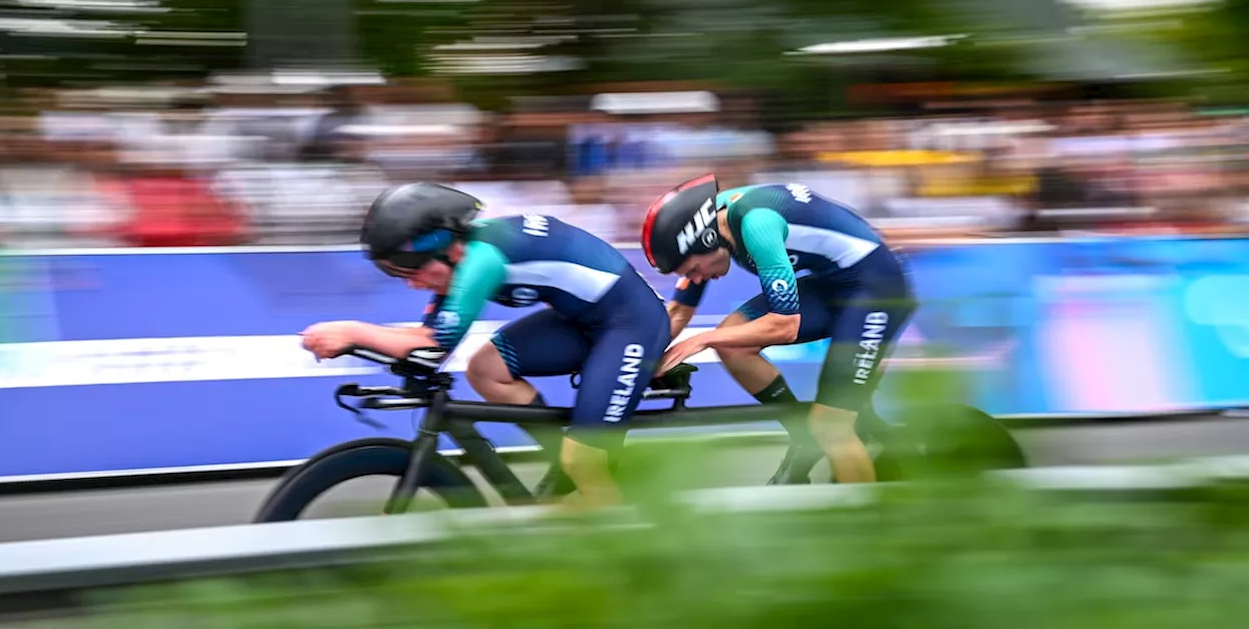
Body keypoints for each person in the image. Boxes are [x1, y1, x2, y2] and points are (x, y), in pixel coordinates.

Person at [300, 182, 670, 509]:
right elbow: (422, 343)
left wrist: (350, 330)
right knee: (486, 369)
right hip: (584, 320)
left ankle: (621, 538)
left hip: (631, 325)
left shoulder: (481, 261)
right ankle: (565, 464)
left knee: (584, 462)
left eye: (412, 273)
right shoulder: (460, 260)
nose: (411, 286)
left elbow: (434, 345)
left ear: (448, 251)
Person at [640, 173, 916, 484]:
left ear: (705, 240)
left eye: (693, 269)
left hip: (879, 289)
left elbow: (785, 326)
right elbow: (678, 311)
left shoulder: (758, 225)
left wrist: (700, 340)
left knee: (832, 427)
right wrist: (642, 359)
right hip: (837, 281)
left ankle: (865, 523)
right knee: (732, 341)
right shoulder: (708, 221)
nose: (697, 278)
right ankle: (802, 433)